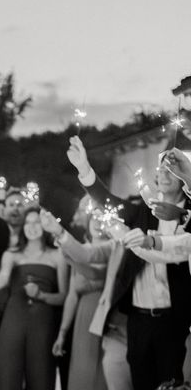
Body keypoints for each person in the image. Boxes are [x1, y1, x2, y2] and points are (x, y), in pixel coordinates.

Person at [66, 136, 191, 390]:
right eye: (160, 169)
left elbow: (178, 251)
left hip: (173, 320)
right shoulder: (143, 211)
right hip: (138, 321)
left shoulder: (189, 216)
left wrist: (149, 242)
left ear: (184, 176)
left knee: (171, 384)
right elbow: (107, 200)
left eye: (170, 169)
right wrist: (84, 169)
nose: (162, 174)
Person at [0, 206, 68, 390]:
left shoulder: (57, 255)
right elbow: (3, 277)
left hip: (43, 325)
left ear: (44, 226)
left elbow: (64, 296)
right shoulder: (12, 254)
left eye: (36, 222)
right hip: (14, 321)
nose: (32, 226)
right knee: (7, 378)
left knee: (41, 378)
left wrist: (41, 295)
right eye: (27, 222)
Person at [51, 201, 108, 390]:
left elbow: (97, 275)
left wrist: (72, 260)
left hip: (107, 316)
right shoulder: (78, 249)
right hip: (83, 318)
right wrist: (62, 333)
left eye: (103, 218)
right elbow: (72, 295)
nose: (98, 222)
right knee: (82, 371)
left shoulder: (114, 249)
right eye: (95, 217)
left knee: (103, 374)